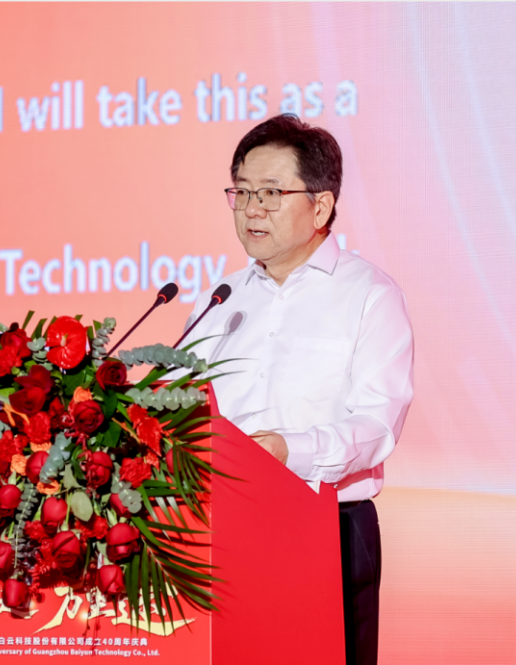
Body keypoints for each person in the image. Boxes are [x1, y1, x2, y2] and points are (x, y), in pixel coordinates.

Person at [181, 114, 414, 665]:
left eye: (270, 193)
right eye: (241, 192)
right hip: (217, 531)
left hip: (326, 527)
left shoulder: (369, 295)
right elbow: (179, 407)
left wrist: (289, 451)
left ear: (321, 206)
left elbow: (377, 424)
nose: (251, 209)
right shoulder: (220, 300)